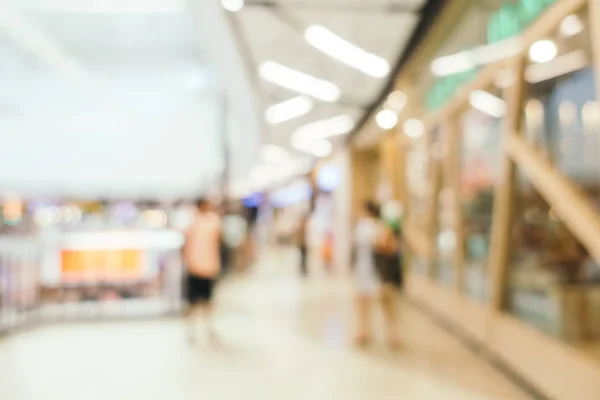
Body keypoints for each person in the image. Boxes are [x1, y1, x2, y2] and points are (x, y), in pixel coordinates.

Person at [353, 201, 400, 348]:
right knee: (384, 303)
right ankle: (390, 334)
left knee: (366, 302)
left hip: (370, 270)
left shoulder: (365, 226)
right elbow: (391, 247)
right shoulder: (380, 226)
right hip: (378, 271)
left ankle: (365, 331)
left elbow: (383, 244)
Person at [182, 198, 222, 344]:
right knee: (196, 303)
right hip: (198, 268)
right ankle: (194, 330)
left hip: (203, 268)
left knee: (205, 302)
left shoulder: (204, 223)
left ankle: (206, 329)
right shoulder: (195, 223)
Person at [297, 212, 309, 277]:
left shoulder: (305, 228)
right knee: (302, 257)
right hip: (302, 245)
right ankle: (302, 268)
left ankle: (303, 268)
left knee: (304, 257)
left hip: (304, 245)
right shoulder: (301, 229)